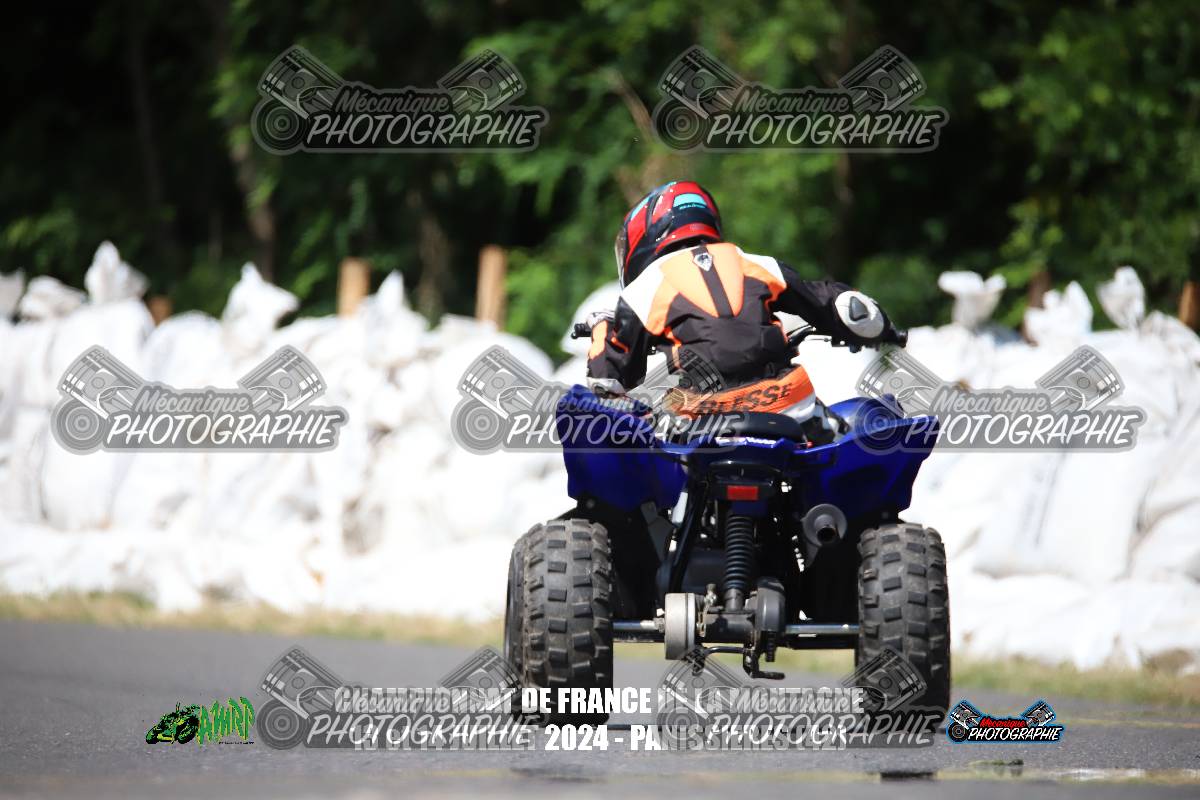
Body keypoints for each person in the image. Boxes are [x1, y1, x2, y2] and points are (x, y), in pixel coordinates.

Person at [586, 180, 899, 428]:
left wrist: (602, 328)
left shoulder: (644, 289)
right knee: (839, 439)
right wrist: (884, 330)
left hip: (701, 417)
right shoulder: (756, 263)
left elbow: (610, 377)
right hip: (789, 403)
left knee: (658, 458)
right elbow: (838, 305)